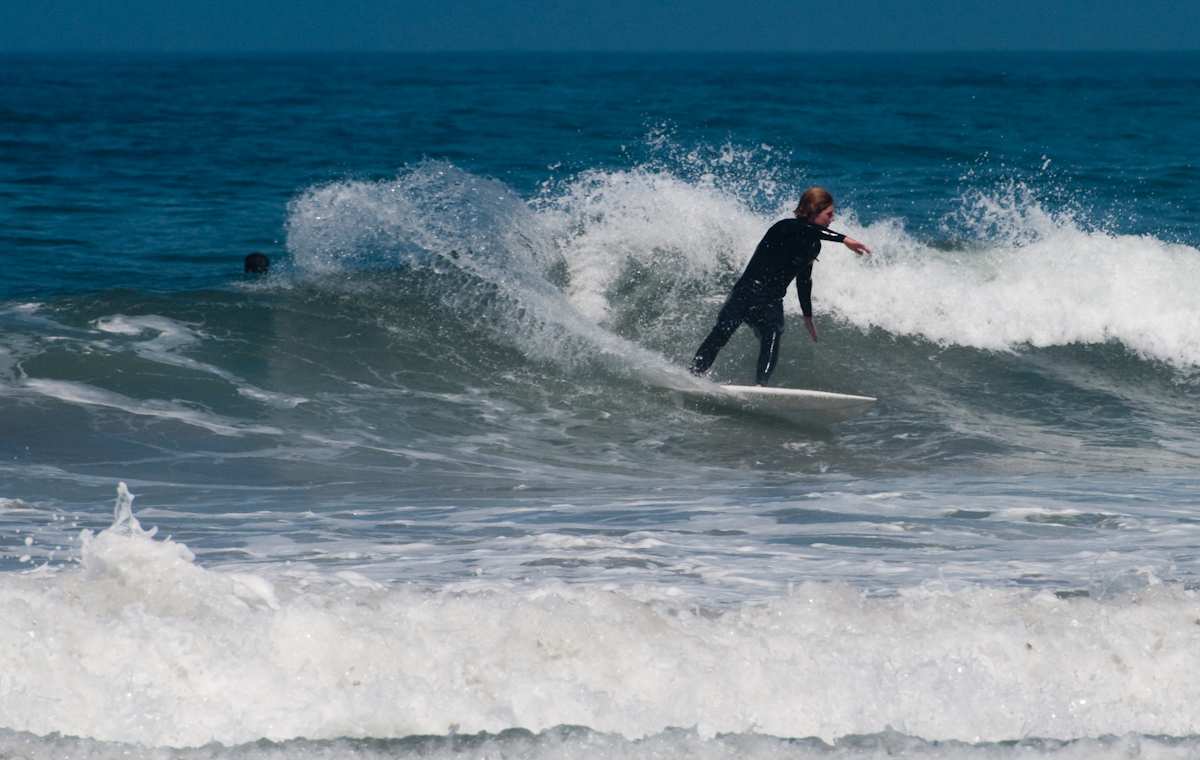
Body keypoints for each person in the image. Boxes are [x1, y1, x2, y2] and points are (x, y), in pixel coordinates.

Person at [690, 187, 871, 385]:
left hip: (771, 300)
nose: (832, 219)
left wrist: (807, 315)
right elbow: (805, 228)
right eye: (828, 214)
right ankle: (694, 375)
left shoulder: (814, 245)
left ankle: (761, 386)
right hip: (747, 292)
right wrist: (844, 239)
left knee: (772, 336)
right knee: (722, 333)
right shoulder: (784, 227)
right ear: (813, 211)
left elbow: (804, 280)